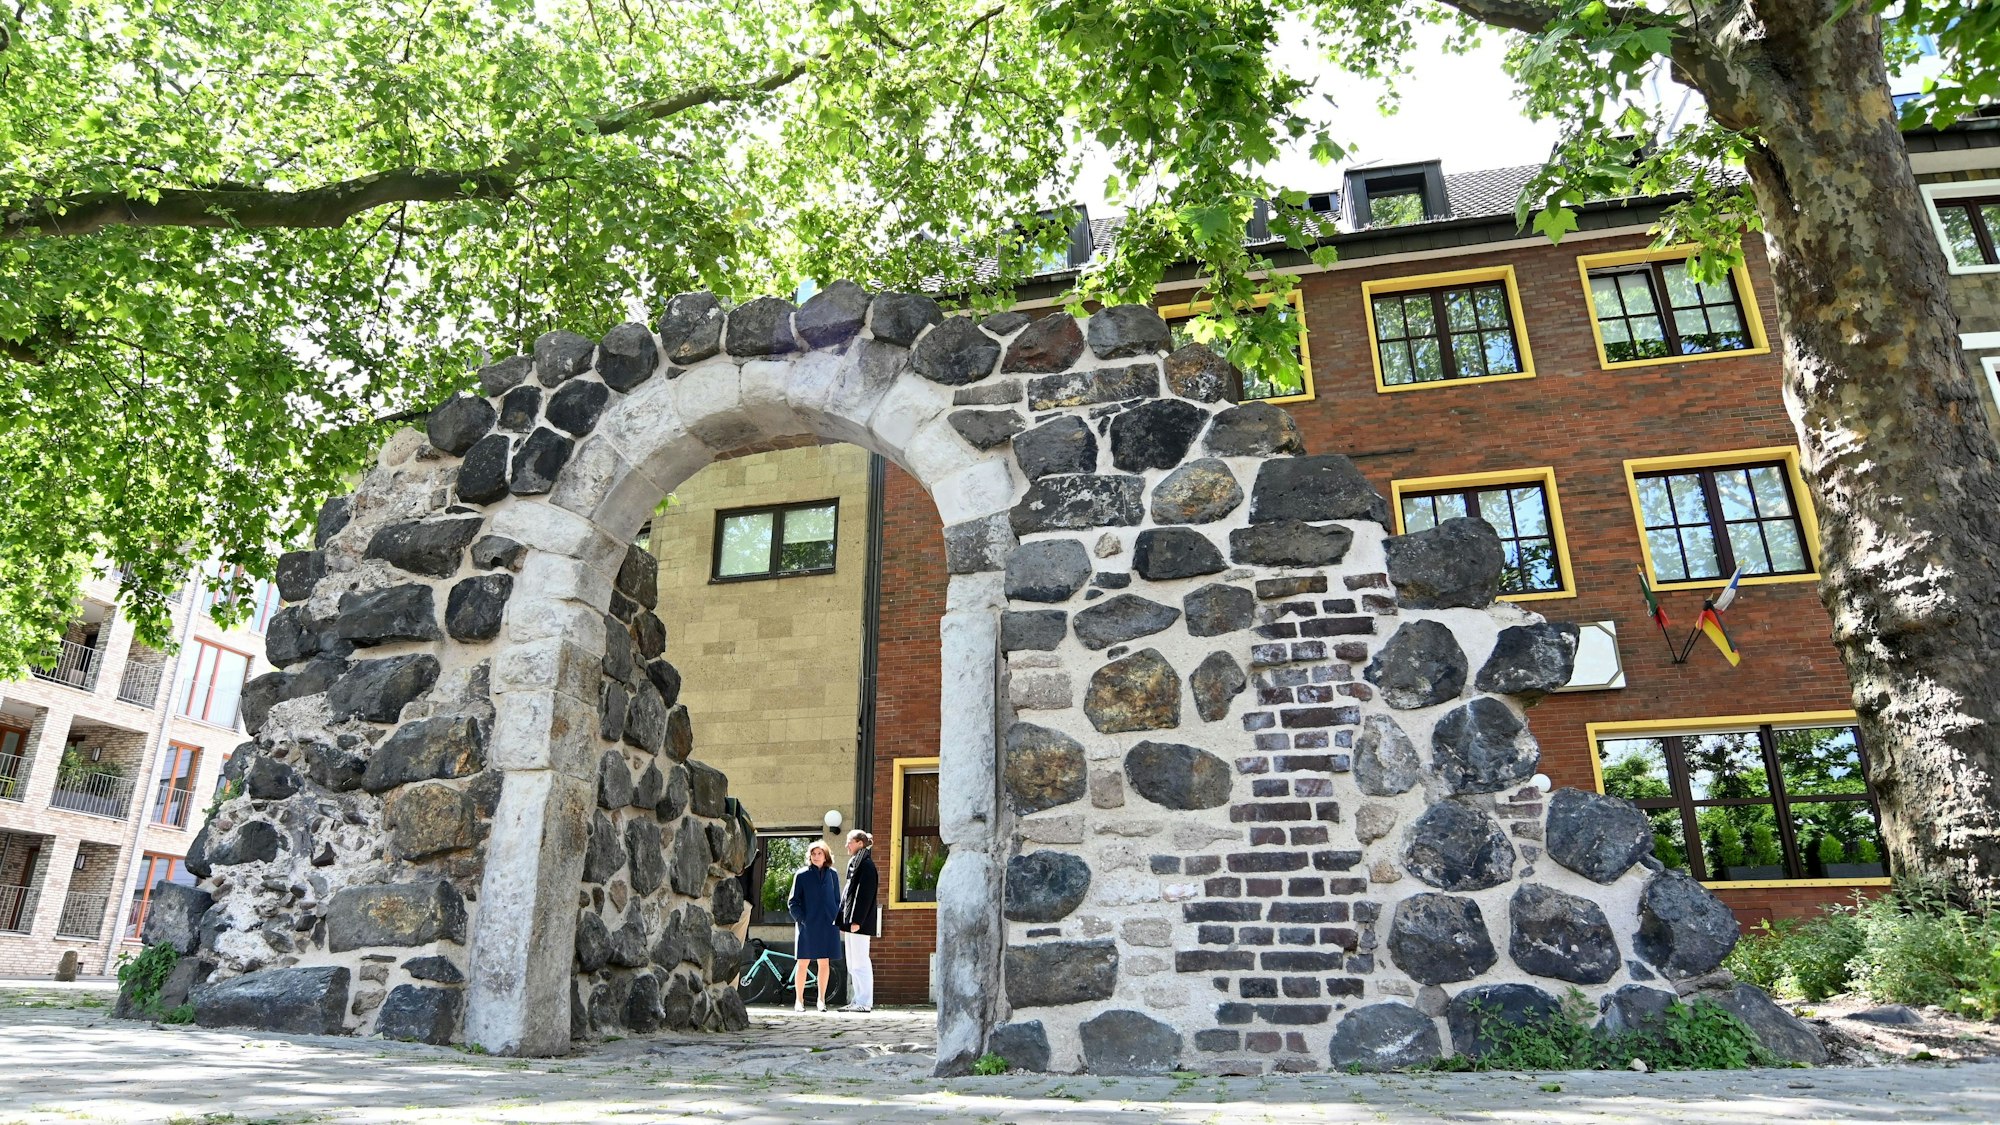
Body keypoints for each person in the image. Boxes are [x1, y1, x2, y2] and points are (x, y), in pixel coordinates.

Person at [786, 840, 841, 1012]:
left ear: (826, 856)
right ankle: (799, 1000)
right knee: (803, 962)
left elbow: (837, 900)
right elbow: (793, 902)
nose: (816, 857)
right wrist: (802, 920)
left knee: (824, 962)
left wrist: (836, 918)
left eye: (819, 853)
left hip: (828, 924)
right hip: (808, 925)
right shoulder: (801, 875)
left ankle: (821, 1000)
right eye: (813, 854)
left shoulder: (832, 874)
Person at [837, 828, 879, 1012]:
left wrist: (857, 922)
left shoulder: (866, 865)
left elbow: (864, 896)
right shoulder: (856, 863)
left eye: (849, 842)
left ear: (860, 843)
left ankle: (864, 1002)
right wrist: (843, 921)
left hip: (859, 923)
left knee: (861, 962)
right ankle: (857, 1000)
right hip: (852, 922)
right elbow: (848, 895)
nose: (846, 845)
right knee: (853, 964)